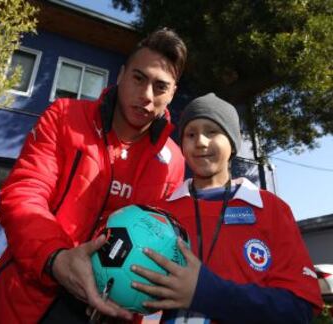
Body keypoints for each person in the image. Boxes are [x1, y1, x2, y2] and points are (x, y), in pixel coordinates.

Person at [0, 28, 187, 323]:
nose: (147, 96)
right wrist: (56, 258)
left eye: (161, 86)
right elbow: (25, 191)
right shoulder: (64, 116)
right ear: (121, 75)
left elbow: (161, 244)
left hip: (109, 313)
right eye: (139, 79)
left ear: (173, 93)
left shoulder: (173, 161)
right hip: (25, 298)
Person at [130, 93, 324, 323]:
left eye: (212, 132)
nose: (200, 141)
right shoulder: (159, 214)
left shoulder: (271, 209)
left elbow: (299, 309)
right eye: (191, 134)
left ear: (232, 142)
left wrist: (206, 293)